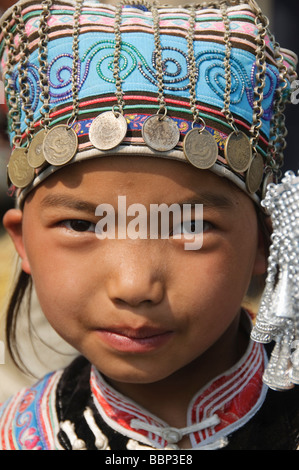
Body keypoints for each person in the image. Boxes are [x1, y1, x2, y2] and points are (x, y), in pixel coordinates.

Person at [0, 0, 298, 451]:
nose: (134, 285)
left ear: (265, 241)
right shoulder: (20, 436)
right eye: (81, 225)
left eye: (191, 225)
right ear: (23, 242)